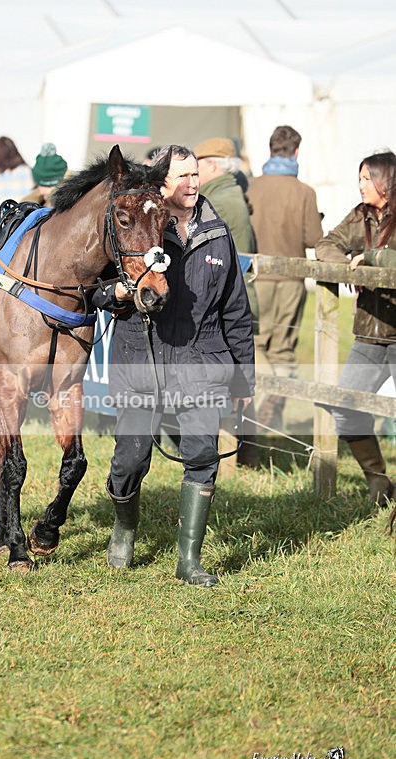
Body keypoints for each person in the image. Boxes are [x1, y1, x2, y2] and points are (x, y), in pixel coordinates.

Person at [92, 145, 255, 587]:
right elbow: (96, 292)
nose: (192, 183)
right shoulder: (137, 223)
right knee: (130, 460)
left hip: (200, 362)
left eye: (196, 174)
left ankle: (189, 561)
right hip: (140, 360)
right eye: (181, 175)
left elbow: (236, 311)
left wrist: (243, 378)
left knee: (202, 457)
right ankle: (124, 530)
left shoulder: (218, 233)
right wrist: (118, 297)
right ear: (161, 181)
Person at [315, 150, 396, 506]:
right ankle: (380, 482)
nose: (360, 184)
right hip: (369, 334)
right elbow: (325, 245)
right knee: (345, 408)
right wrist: (349, 266)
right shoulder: (360, 215)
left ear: (386, 180)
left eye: (367, 178)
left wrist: (373, 259)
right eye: (359, 178)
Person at [249, 125, 323, 430]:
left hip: (256, 279)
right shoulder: (305, 192)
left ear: (270, 150)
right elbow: (314, 239)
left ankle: (256, 417)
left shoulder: (250, 188)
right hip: (292, 280)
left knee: (254, 345)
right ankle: (275, 412)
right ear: (296, 152)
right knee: (284, 349)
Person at [194, 136, 260, 467]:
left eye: (199, 164)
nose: (194, 173)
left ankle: (243, 459)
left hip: (231, 307)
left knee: (235, 384)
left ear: (214, 165)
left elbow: (237, 262)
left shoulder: (224, 201)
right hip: (229, 305)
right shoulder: (222, 195)